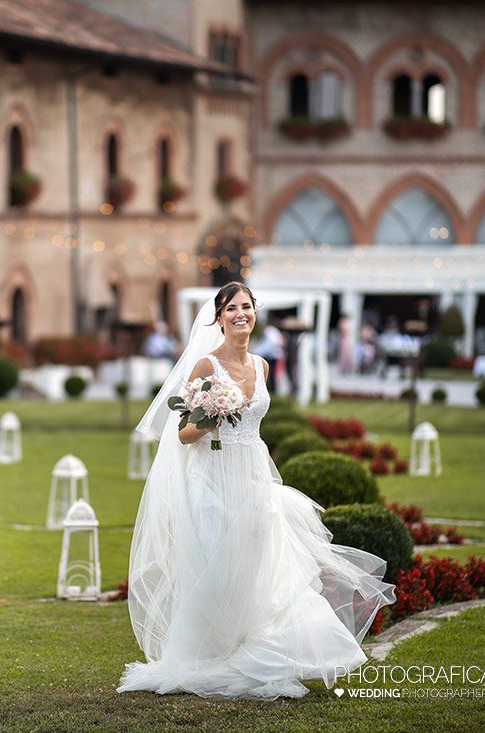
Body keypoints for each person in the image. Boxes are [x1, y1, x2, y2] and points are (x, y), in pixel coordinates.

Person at [118, 282, 394, 700]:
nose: (240, 314)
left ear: (255, 313)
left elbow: (255, 430)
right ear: (219, 317)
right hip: (212, 478)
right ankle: (208, 654)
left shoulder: (263, 366)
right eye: (231, 308)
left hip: (253, 476)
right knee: (218, 565)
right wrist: (212, 415)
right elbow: (183, 434)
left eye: (246, 307)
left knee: (260, 565)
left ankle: (258, 645)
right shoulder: (206, 366)